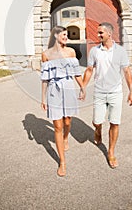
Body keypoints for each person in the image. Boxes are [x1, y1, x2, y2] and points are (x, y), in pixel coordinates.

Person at [83, 22, 132, 168]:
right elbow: (89, 70)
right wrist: (83, 87)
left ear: (109, 34)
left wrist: (131, 91)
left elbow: (127, 72)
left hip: (115, 93)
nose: (98, 35)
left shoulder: (121, 51)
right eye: (98, 32)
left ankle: (111, 152)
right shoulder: (94, 51)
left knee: (114, 122)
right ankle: (98, 129)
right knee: (97, 121)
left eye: (100, 33)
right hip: (99, 92)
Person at [41, 26, 85, 177]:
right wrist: (43, 98)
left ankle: (66, 137)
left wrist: (82, 87)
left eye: (67, 35)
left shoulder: (71, 52)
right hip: (54, 90)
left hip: (68, 87)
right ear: (55, 36)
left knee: (67, 122)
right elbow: (45, 78)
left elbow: (76, 73)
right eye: (64, 35)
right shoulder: (46, 55)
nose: (66, 37)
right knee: (57, 126)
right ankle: (62, 162)